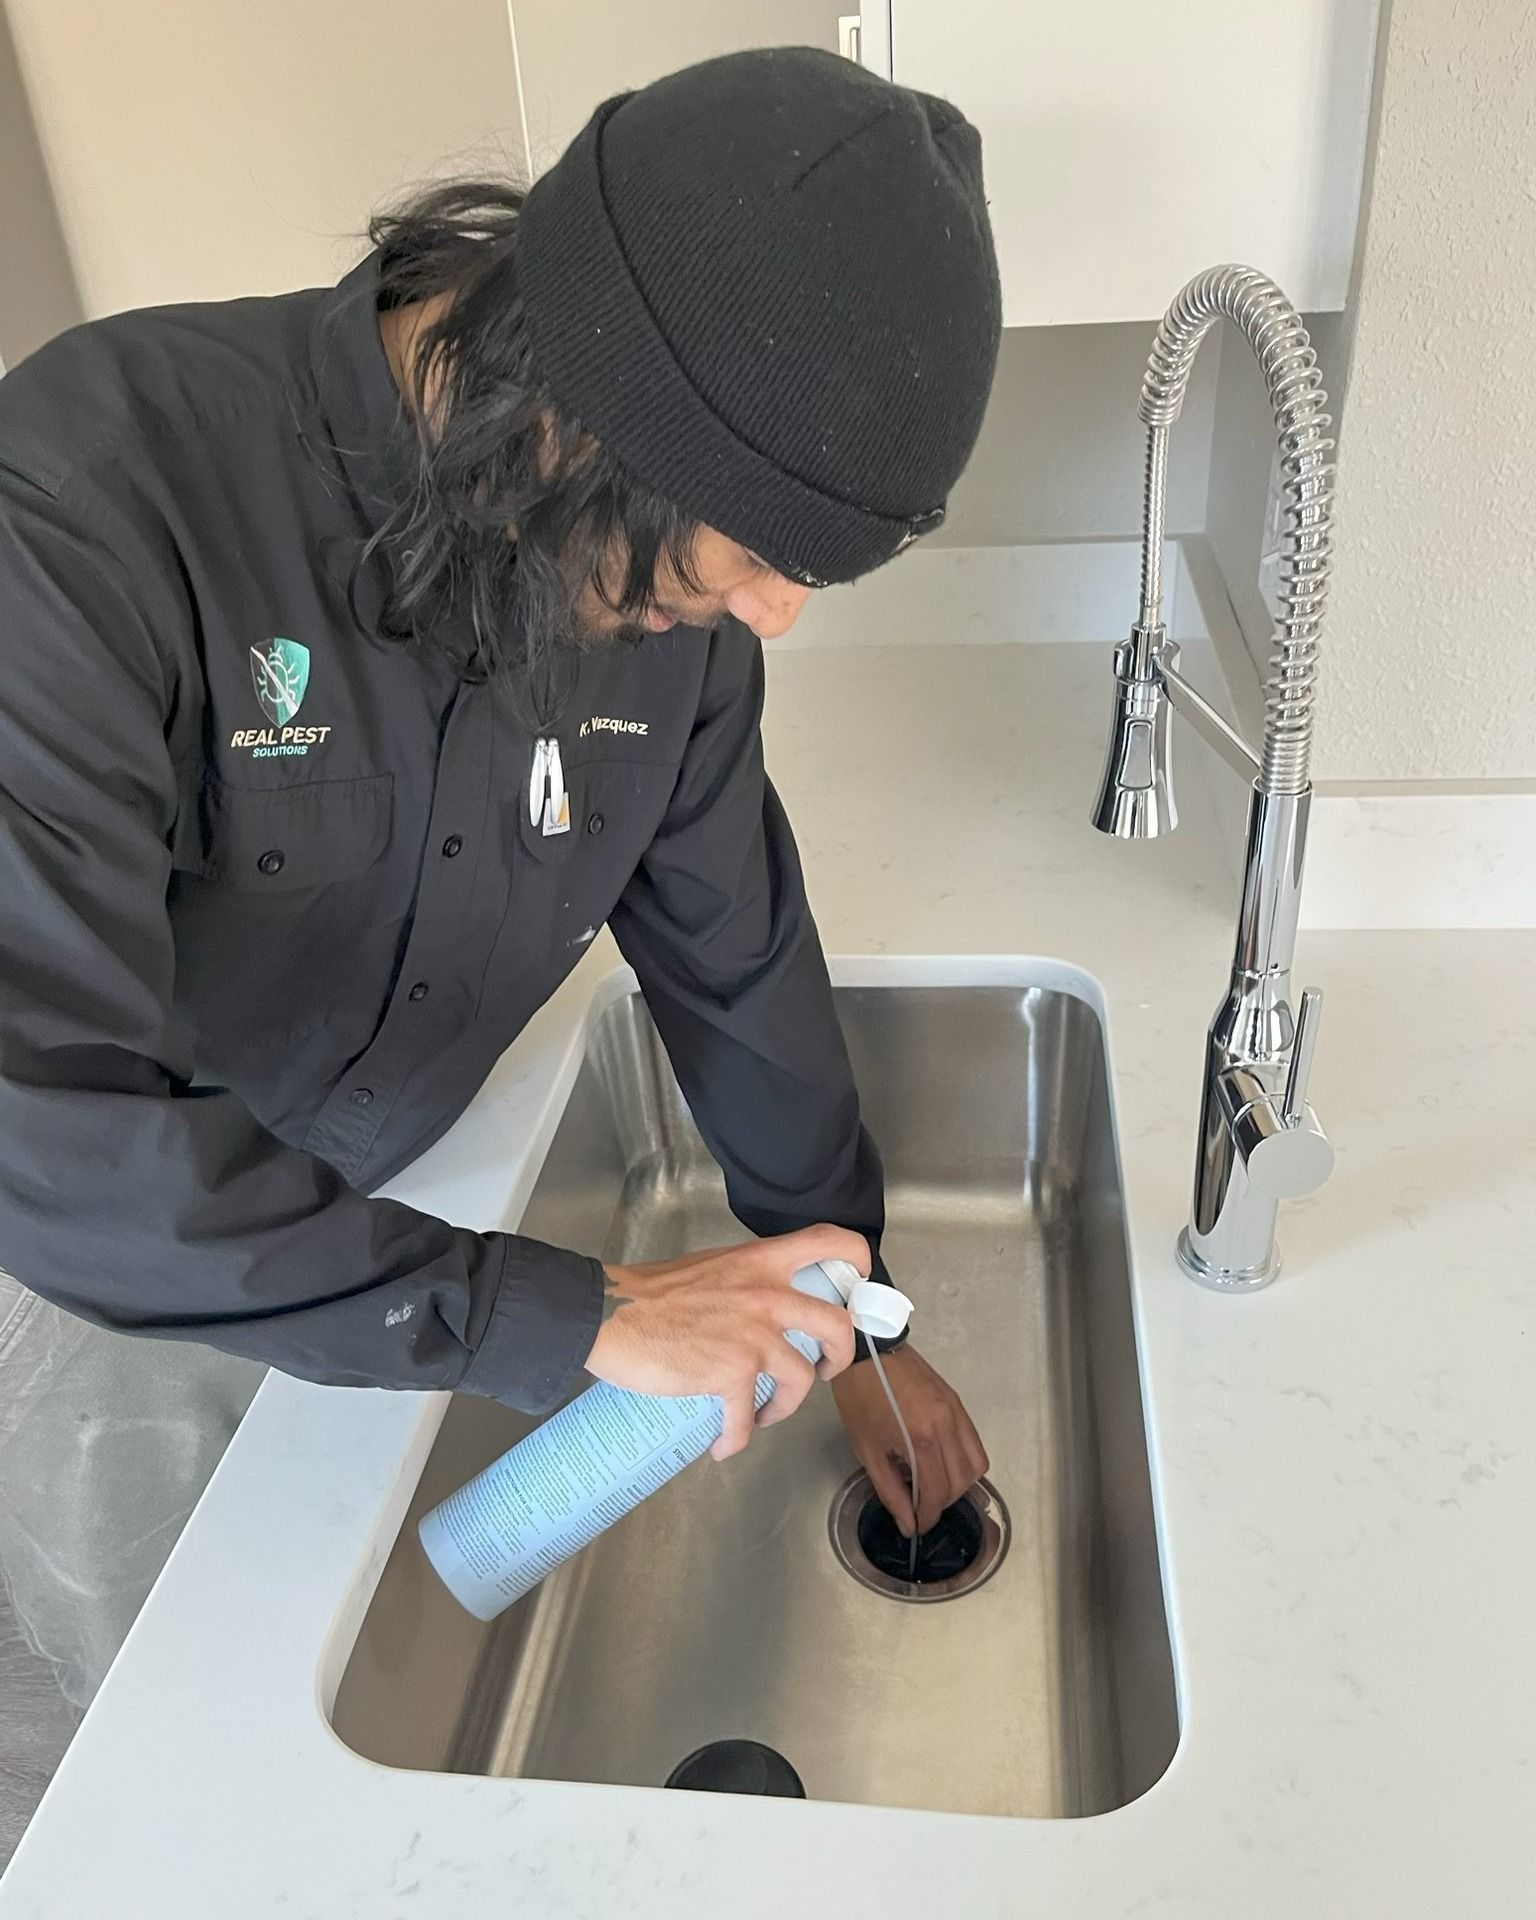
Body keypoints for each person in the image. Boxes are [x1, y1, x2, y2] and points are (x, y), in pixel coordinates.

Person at [0, 46, 1002, 1703]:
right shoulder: (81, 511)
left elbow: (735, 960)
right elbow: (43, 1125)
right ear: (586, 413)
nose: (776, 613)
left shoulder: (655, 611)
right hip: (95, 1284)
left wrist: (851, 1309)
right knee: (154, 1720)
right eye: (762, 547)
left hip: (412, 1244)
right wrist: (577, 1316)